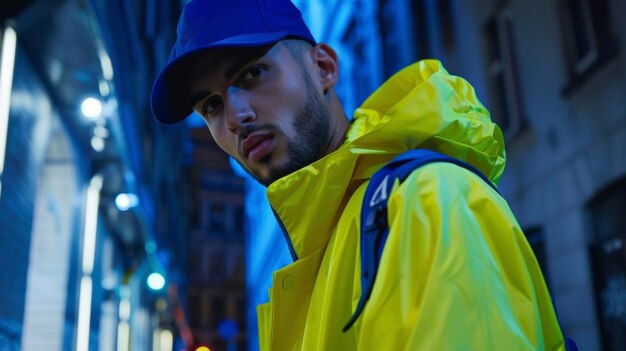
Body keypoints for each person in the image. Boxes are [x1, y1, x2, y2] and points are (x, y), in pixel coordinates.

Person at [151, 0, 569, 349]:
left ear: (324, 68)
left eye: (252, 73)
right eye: (210, 106)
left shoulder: (423, 201)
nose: (236, 117)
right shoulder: (330, 241)